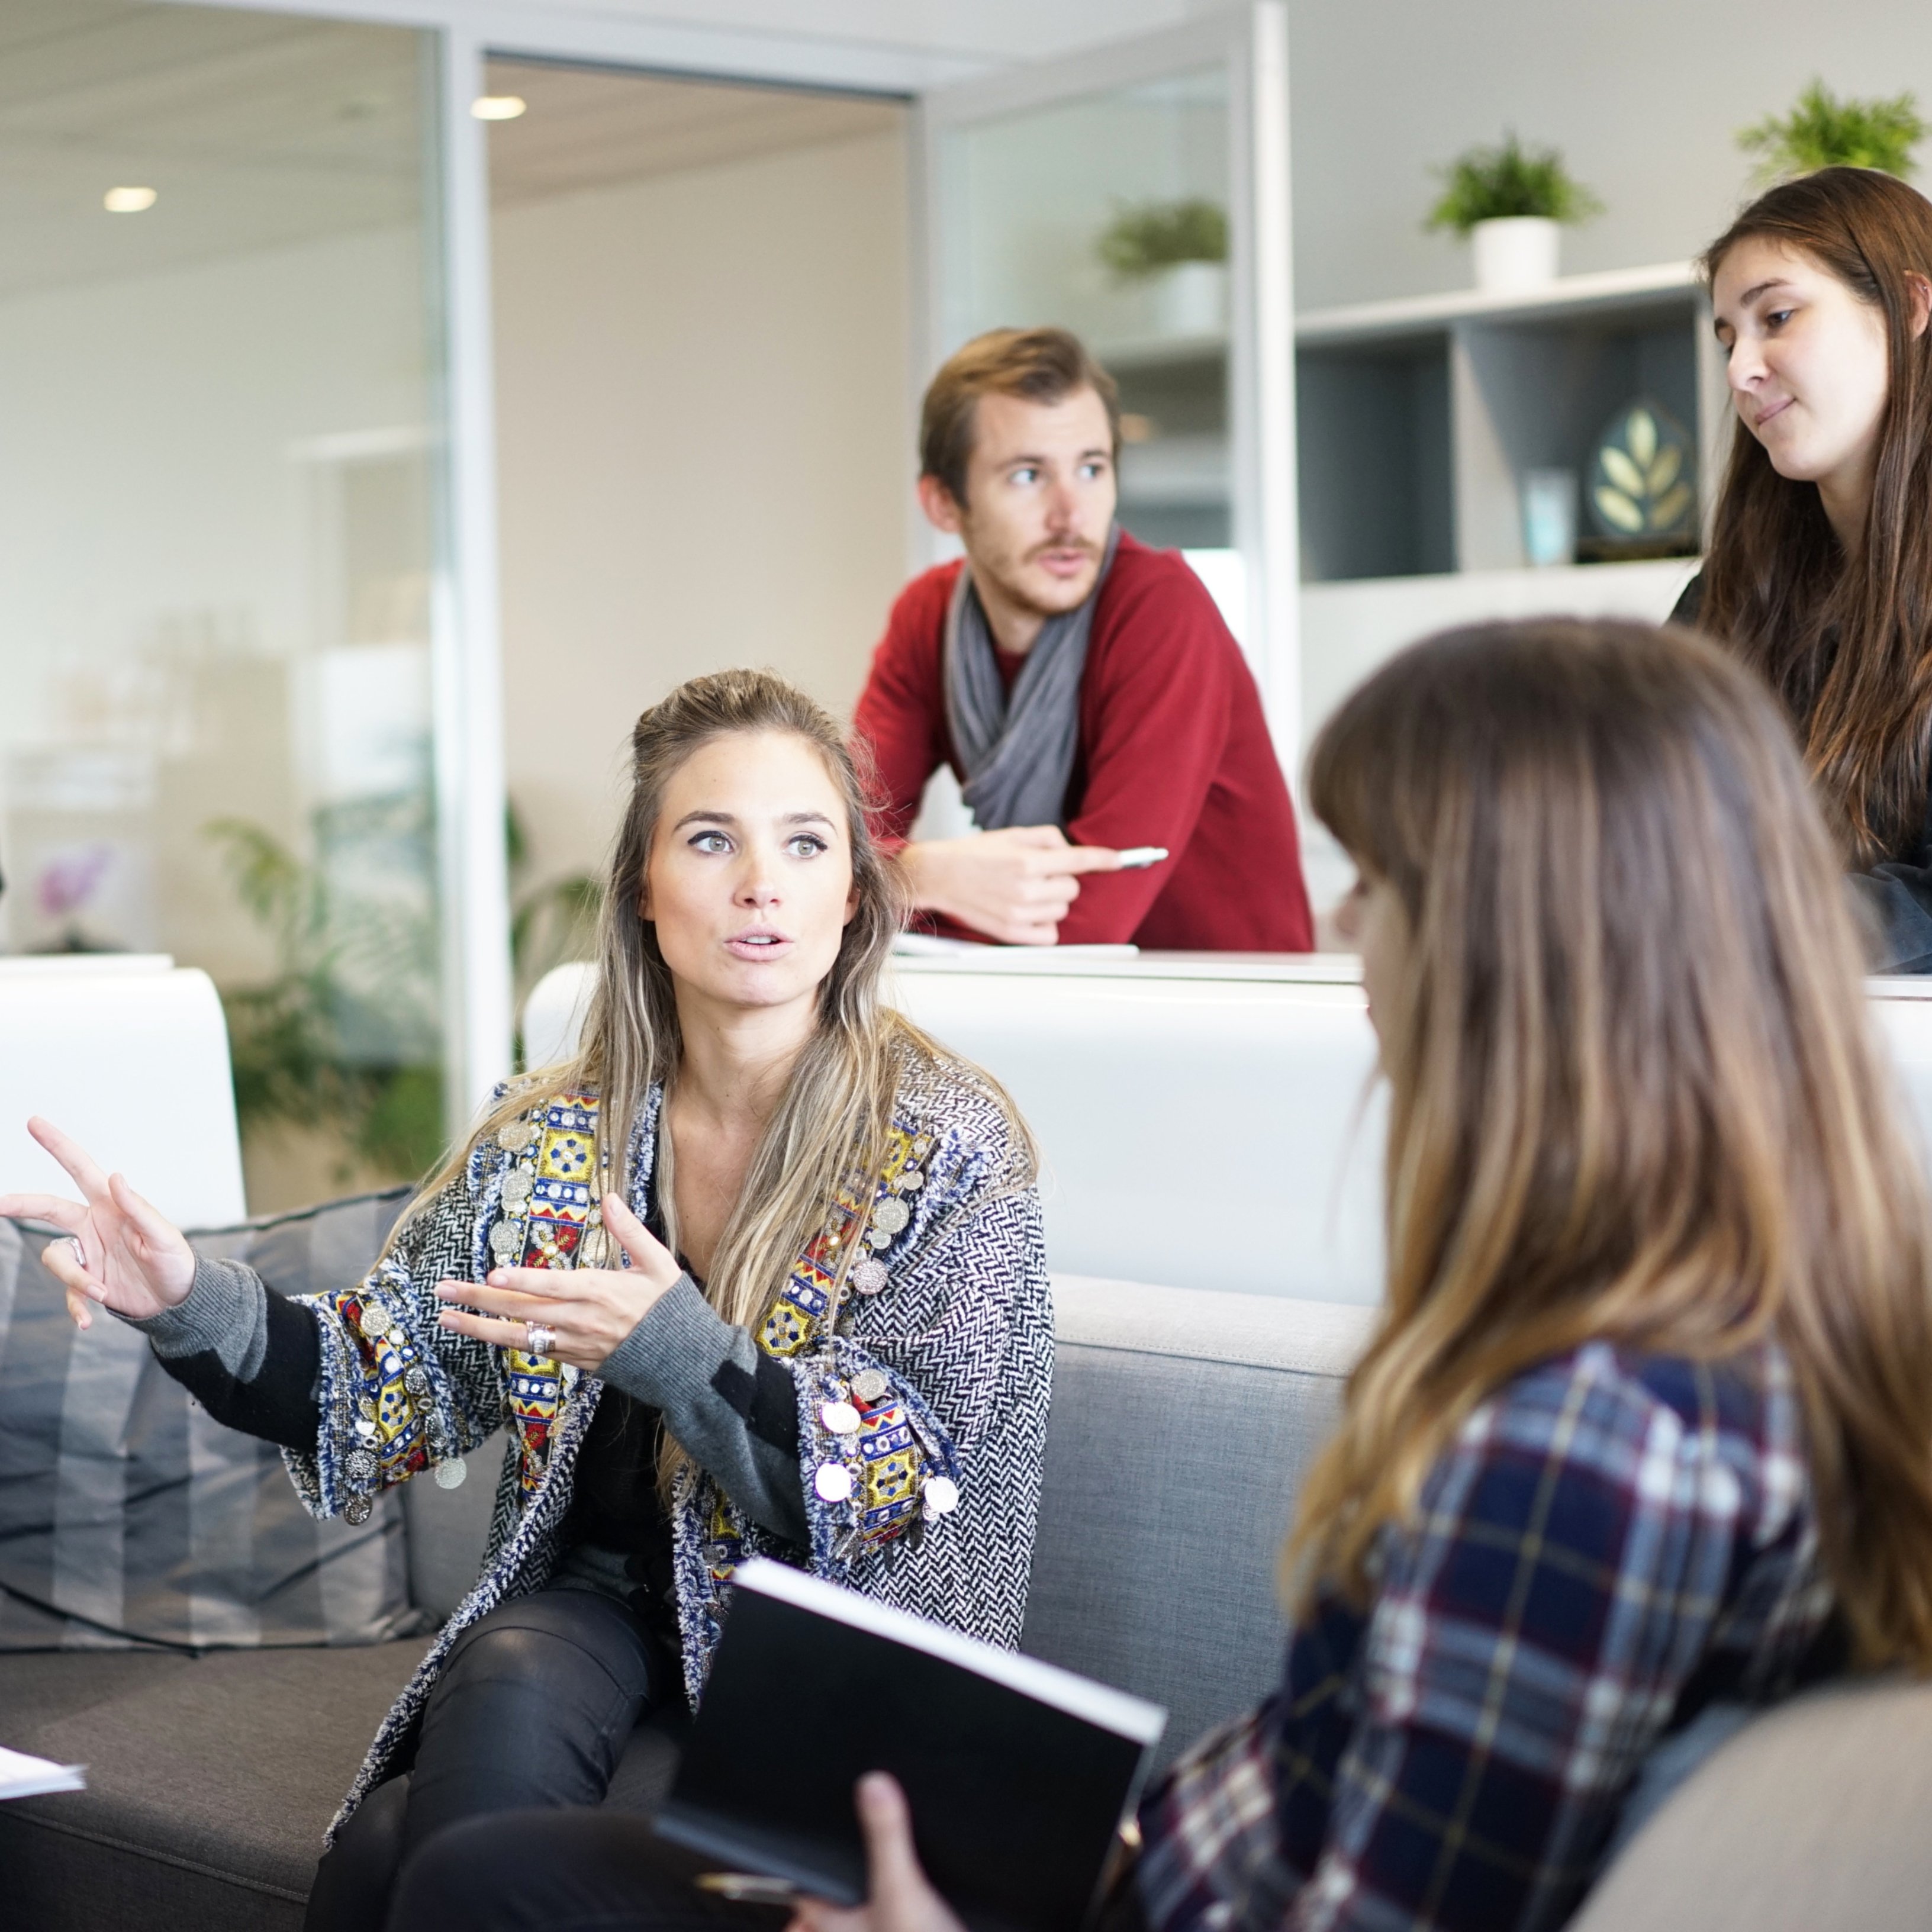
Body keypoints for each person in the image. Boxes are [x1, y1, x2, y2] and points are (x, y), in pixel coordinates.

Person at [388, 618, 1932, 1932]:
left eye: (1380, 883)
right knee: (458, 1860)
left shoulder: (1583, 1450)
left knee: (482, 1890)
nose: (1344, 928)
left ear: (1517, 952)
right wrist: (1114, 1839)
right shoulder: (1734, 1339)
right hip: (1127, 1877)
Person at [0, 669, 1052, 1931]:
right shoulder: (554, 1136)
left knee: (397, 1850)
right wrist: (181, 1297)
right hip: (599, 1607)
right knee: (499, 1681)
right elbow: (370, 1380)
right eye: (710, 840)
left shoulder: (947, 1143)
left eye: (805, 843)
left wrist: (674, 1350)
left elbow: (901, 1482)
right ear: (646, 896)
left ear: (852, 897)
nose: (760, 882)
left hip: (833, 1657)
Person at [851, 326, 1313, 951]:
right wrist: (925, 873)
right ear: (943, 504)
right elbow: (828, 843)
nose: (1071, 515)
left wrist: (881, 886)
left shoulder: (1160, 609)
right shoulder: (927, 618)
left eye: (1091, 469)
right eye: (1027, 475)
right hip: (1061, 1007)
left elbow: (1088, 920)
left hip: (1228, 1013)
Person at [1673, 165, 1932, 969]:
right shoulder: (1726, 594)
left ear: (1910, 307)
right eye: (1727, 338)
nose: (1740, 370)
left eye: (1776, 317)